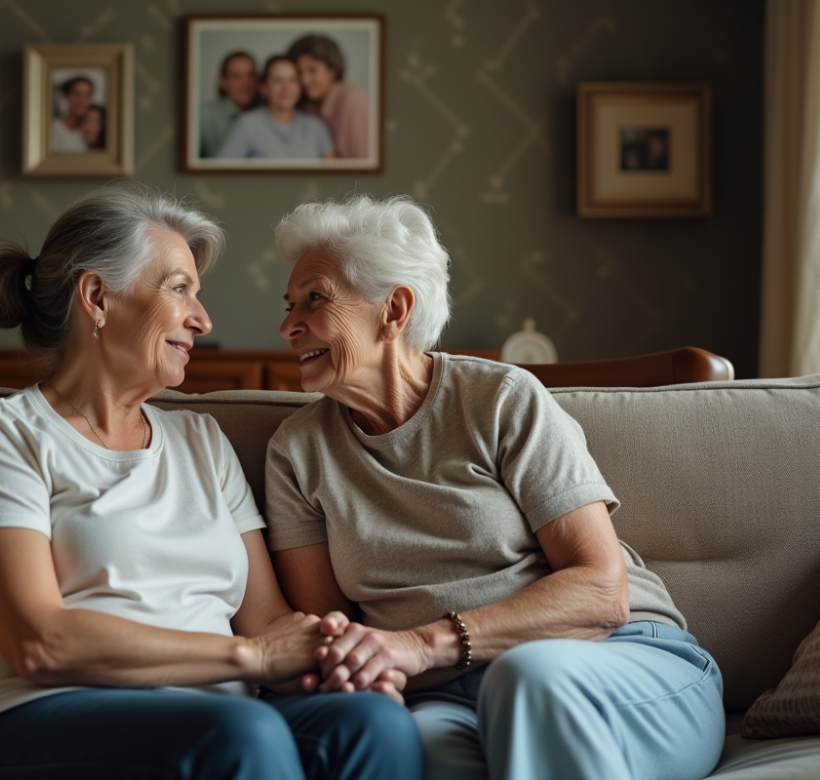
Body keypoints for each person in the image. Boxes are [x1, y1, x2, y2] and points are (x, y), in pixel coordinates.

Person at [0, 186, 424, 780]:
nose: (202, 319)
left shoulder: (201, 442)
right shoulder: (1, 438)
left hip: (217, 717)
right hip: (31, 716)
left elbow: (266, 621)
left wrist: (341, 654)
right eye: (179, 288)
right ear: (97, 296)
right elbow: (41, 642)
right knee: (242, 733)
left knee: (372, 720)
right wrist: (252, 658)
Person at [265, 194, 727, 780]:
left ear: (394, 309)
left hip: (621, 661)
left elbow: (601, 593)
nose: (287, 326)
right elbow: (330, 633)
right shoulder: (296, 451)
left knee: (527, 677)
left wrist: (423, 644)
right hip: (448, 699)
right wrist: (360, 670)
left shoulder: (500, 400)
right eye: (288, 305)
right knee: (415, 751)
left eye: (314, 300)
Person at [216, 55, 334, 160]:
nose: (286, 88)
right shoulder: (247, 125)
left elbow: (334, 175)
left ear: (300, 86)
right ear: (264, 88)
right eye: (277, 80)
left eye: (292, 80)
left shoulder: (316, 126)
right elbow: (219, 173)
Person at [287, 34, 370, 159]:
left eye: (313, 70)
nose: (304, 80)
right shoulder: (306, 105)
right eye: (299, 72)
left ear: (333, 71)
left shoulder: (354, 102)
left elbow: (366, 169)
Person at [198, 51, 260, 158]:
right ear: (223, 82)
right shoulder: (202, 116)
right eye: (236, 76)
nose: (245, 82)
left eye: (250, 75)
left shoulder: (267, 114)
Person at [52, 75, 94, 153]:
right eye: (77, 94)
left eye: (87, 95)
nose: (82, 101)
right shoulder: (52, 128)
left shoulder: (95, 131)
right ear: (67, 96)